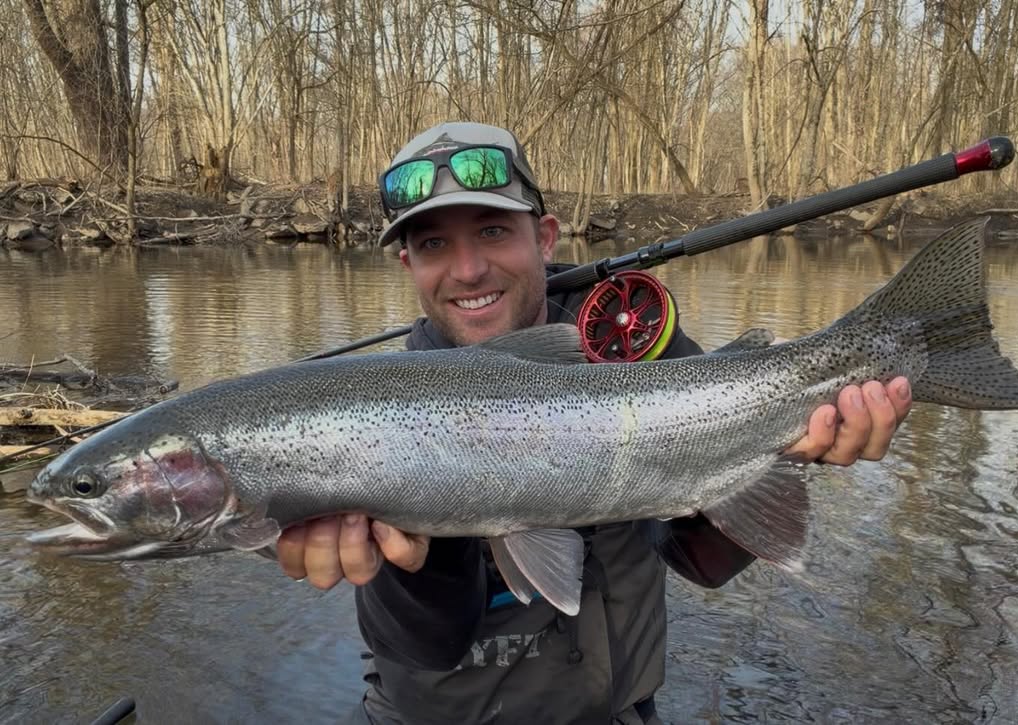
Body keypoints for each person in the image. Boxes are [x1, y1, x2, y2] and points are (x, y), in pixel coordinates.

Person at [278, 122, 912, 724]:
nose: (467, 270)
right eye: (433, 244)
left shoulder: (637, 355)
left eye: (493, 231)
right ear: (408, 267)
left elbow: (701, 561)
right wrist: (419, 553)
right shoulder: (368, 418)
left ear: (545, 238)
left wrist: (785, 446)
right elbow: (425, 645)